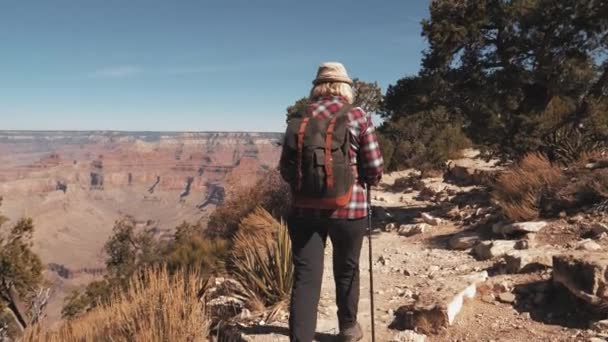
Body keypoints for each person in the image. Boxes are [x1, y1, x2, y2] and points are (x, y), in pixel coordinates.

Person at [280, 62, 384, 342]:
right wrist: (365, 177)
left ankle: (300, 338)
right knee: (347, 268)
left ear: (317, 88)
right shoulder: (357, 115)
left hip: (304, 209)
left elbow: (286, 170)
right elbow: (374, 167)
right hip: (349, 209)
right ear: (345, 88)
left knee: (306, 276)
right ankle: (348, 329)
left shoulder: (300, 118)